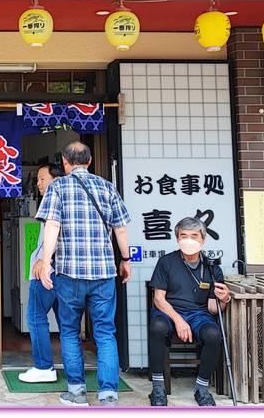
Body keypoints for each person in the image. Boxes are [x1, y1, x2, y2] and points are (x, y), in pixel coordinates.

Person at [38, 141, 132, 407]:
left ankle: (77, 392)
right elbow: (121, 229)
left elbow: (52, 226)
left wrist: (46, 263)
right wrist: (125, 260)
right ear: (89, 162)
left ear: (65, 163)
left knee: (68, 330)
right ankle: (109, 395)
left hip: (69, 273)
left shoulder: (57, 187)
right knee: (105, 332)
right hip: (103, 273)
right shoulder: (107, 186)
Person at [147, 216, 231, 407]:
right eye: (184, 235)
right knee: (158, 326)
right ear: (177, 238)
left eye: (194, 236)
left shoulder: (211, 268)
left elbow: (212, 308)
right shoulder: (166, 262)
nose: (189, 240)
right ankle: (158, 388)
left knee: (213, 334)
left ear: (203, 239)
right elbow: (159, 299)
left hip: (198, 314)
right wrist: (178, 320)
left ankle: (201, 388)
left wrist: (224, 298)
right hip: (168, 311)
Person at [18, 162, 65, 383]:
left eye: (42, 178)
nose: (38, 183)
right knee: (65, 321)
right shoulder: (67, 198)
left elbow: (55, 234)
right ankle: (72, 369)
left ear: (56, 178)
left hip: (48, 270)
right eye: (37, 180)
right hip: (64, 272)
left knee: (35, 317)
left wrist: (44, 261)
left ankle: (44, 367)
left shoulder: (55, 200)